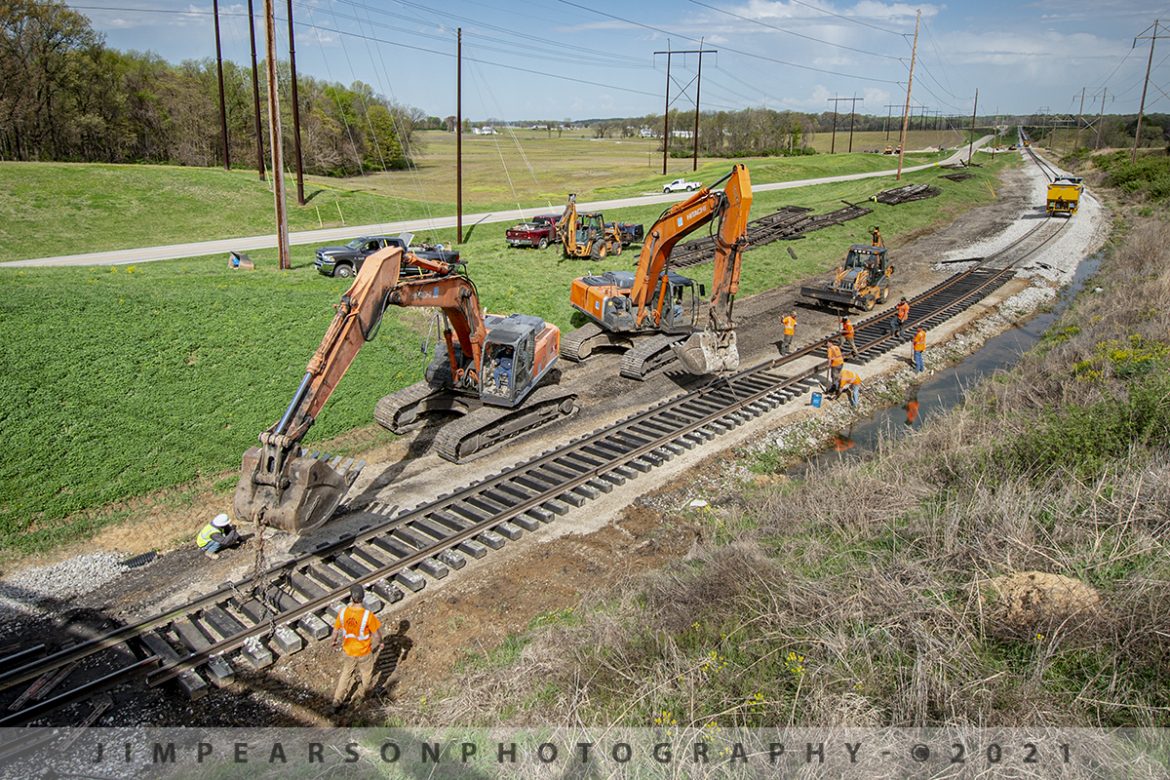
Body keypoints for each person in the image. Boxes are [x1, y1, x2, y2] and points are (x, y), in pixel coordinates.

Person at [331, 584, 383, 713]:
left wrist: (333, 641)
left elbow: (336, 630)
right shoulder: (367, 616)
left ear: (351, 597)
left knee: (346, 674)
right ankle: (362, 696)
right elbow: (376, 634)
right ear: (363, 597)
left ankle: (337, 701)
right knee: (366, 674)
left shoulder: (343, 613)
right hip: (364, 652)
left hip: (348, 651)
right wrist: (380, 643)